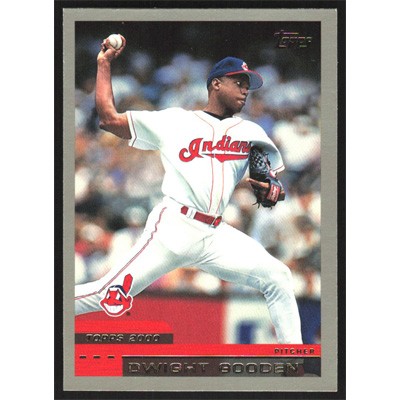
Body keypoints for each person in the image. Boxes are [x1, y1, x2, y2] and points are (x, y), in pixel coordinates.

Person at [75, 35, 303, 344]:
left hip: (216, 234)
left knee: (278, 277)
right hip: (174, 228)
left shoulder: (251, 132)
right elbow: (108, 119)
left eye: (248, 85)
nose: (245, 89)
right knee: (108, 295)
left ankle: (293, 360)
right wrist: (104, 64)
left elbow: (271, 184)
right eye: (238, 82)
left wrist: (272, 190)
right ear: (216, 84)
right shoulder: (175, 121)